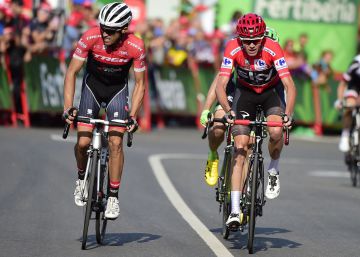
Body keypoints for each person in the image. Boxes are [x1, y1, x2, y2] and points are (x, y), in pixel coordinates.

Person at [62, 2, 146, 220]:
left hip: (117, 90)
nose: (105, 34)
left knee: (116, 142)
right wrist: (67, 107)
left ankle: (113, 197)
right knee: (82, 142)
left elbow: (140, 84)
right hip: (92, 87)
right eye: (102, 28)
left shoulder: (136, 46)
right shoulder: (90, 37)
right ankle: (81, 179)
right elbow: (71, 72)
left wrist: (133, 116)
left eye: (110, 31)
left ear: (124, 30)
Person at [215, 13, 296, 227]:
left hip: (271, 92)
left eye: (255, 41)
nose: (251, 45)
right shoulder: (232, 47)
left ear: (263, 38)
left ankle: (273, 168)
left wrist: (288, 113)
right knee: (240, 146)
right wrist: (227, 110)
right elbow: (221, 84)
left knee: (276, 131)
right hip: (245, 94)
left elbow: (289, 85)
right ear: (240, 38)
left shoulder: (272, 48)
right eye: (246, 41)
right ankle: (234, 210)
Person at [200, 27, 281, 187]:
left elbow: (280, 94)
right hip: (236, 90)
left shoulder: (273, 60)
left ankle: (242, 194)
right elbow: (219, 82)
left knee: (248, 145)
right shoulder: (240, 53)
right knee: (218, 127)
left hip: (261, 96)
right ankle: (213, 154)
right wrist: (206, 109)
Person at [335, 53, 360, 154]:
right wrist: (340, 100)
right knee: (350, 104)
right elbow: (342, 84)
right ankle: (345, 135)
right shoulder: (355, 64)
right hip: (354, 86)